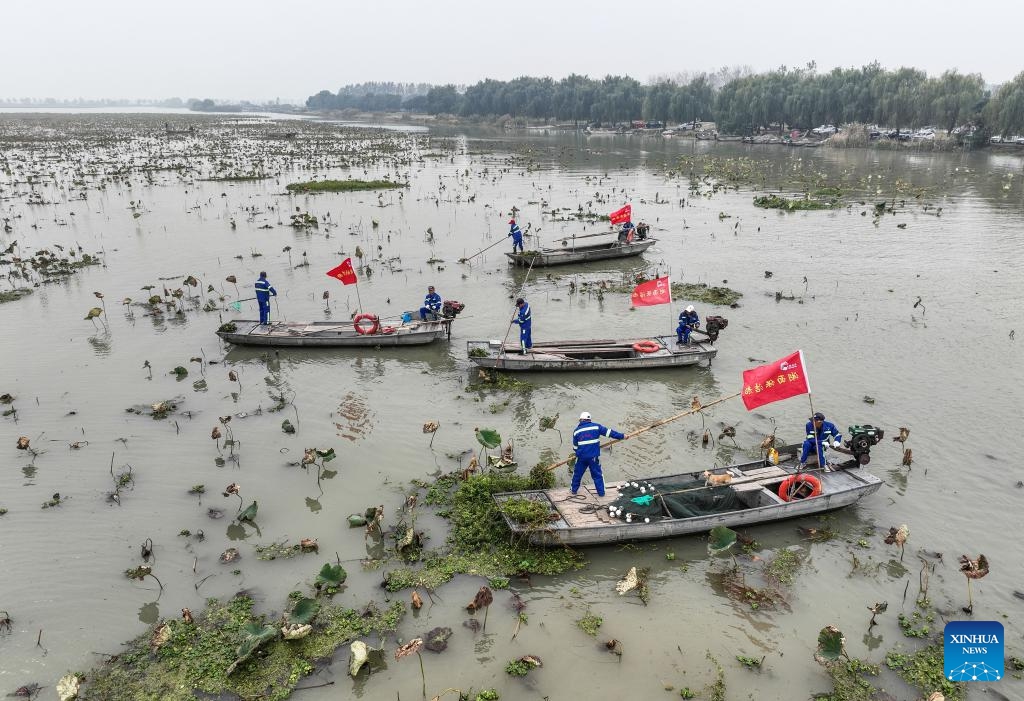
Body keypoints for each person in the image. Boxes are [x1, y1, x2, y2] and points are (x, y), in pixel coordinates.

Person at [571, 412, 625, 497]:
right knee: (597, 475)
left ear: (581, 420)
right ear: (590, 420)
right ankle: (601, 493)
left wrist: (580, 451)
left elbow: (575, 447)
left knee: (577, 474)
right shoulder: (596, 426)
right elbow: (610, 433)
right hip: (593, 457)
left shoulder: (576, 431)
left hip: (581, 457)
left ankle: (574, 490)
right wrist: (622, 436)